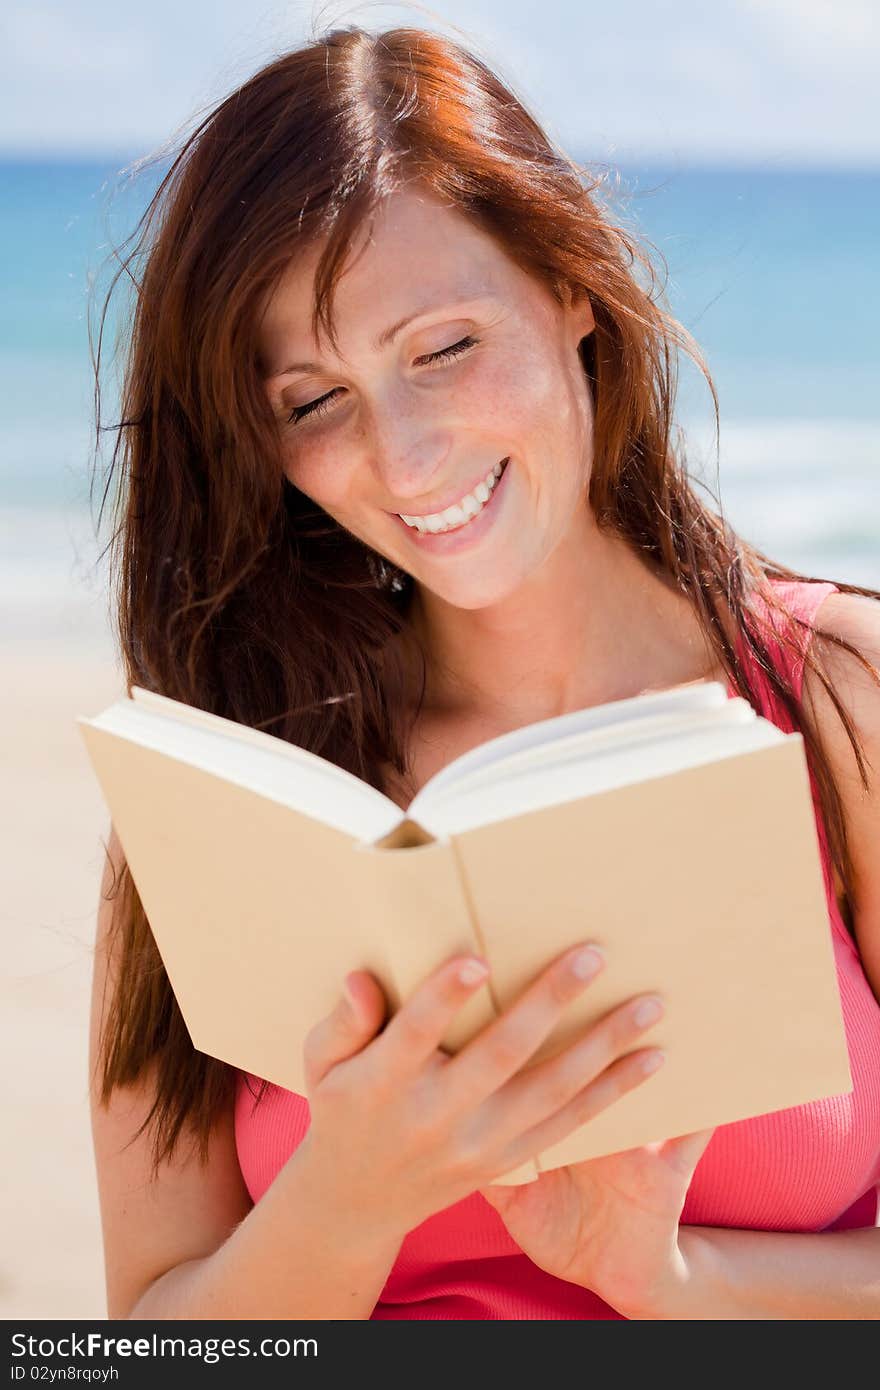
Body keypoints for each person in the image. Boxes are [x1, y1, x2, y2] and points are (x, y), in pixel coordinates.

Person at [88, 25, 880, 1320]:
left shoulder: (838, 701)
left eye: (443, 347)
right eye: (311, 402)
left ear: (573, 288)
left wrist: (669, 1277)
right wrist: (345, 1201)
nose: (403, 463)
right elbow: (142, 1340)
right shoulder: (233, 783)